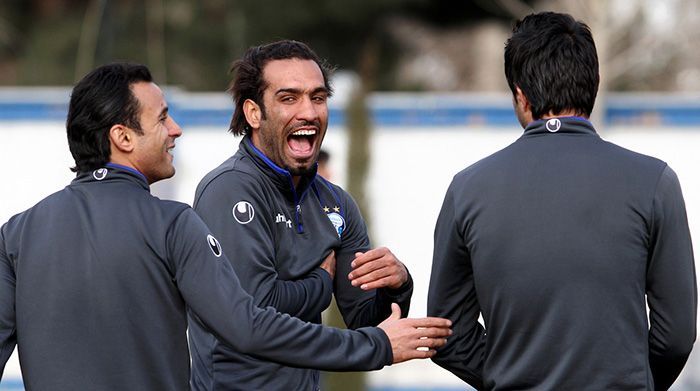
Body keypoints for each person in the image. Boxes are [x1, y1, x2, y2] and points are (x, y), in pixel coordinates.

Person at [0, 62, 452, 391]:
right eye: (162, 118)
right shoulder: (176, 222)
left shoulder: (16, 233)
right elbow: (249, 325)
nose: (175, 130)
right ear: (122, 137)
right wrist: (367, 339)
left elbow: (359, 310)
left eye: (318, 97)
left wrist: (396, 287)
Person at [428, 11, 696, 391]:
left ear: (519, 95)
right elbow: (677, 335)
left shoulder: (467, 189)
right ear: (594, 85)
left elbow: (447, 332)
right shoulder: (655, 182)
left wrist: (506, 372)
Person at [189, 40, 414, 390]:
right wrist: (320, 284)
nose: (308, 112)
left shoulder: (337, 204)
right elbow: (256, 316)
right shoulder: (229, 190)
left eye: (318, 97)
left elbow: (368, 322)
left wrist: (397, 286)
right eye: (289, 98)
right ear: (254, 113)